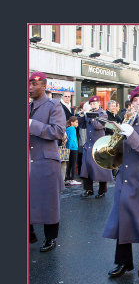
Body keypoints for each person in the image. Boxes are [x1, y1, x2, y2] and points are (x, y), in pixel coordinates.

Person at [103, 85, 139, 278]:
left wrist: (132, 136)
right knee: (122, 220)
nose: (138, 103)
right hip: (125, 177)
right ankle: (123, 262)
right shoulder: (130, 119)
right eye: (135, 100)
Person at [29, 71, 66, 252]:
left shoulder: (54, 105)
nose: (30, 88)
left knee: (49, 202)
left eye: (35, 85)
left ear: (44, 86)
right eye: (29, 84)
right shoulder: (29, 107)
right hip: (30, 160)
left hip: (46, 160)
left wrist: (32, 125)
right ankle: (30, 233)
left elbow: (58, 131)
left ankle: (51, 238)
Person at [78, 95, 113, 198]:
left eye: (94, 103)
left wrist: (91, 117)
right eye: (91, 104)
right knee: (86, 168)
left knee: (101, 169)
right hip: (89, 145)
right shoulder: (88, 113)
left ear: (99, 104)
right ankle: (88, 189)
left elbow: (98, 126)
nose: (93, 105)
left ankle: (102, 191)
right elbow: (81, 125)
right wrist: (82, 116)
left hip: (99, 145)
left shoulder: (103, 114)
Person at [65, 116, 81, 185]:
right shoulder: (73, 129)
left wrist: (67, 148)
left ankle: (68, 178)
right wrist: (70, 147)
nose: (77, 124)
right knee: (73, 164)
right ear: (72, 123)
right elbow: (71, 139)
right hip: (73, 148)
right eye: (76, 122)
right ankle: (73, 179)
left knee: (68, 164)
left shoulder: (67, 129)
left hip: (68, 148)